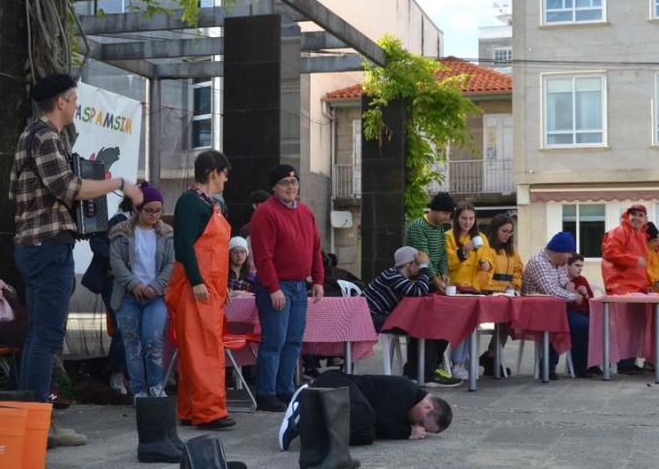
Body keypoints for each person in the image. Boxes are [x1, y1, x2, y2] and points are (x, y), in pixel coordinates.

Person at [8, 73, 143, 445]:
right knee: (47, 336)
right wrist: (119, 184)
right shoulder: (45, 136)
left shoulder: (32, 136)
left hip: (38, 247)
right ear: (64, 101)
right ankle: (39, 427)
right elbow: (68, 188)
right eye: (75, 99)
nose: (77, 106)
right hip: (47, 247)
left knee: (40, 335)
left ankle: (33, 423)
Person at [166, 149, 235, 429]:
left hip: (210, 289)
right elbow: (183, 246)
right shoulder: (190, 203)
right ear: (212, 173)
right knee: (204, 352)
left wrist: (223, 285)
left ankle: (190, 410)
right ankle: (208, 413)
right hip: (198, 290)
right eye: (224, 174)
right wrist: (196, 281)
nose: (226, 180)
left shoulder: (206, 203)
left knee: (198, 350)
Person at [250, 164, 325, 412]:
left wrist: (318, 280)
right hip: (277, 285)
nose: (291, 187)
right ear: (274, 187)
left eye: (294, 182)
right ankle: (266, 392)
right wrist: (272, 288)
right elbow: (263, 256)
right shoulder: (265, 213)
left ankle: (286, 388)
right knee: (274, 340)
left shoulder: (305, 212)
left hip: (299, 285)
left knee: (294, 340)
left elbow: (315, 249)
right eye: (285, 182)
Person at [109, 182, 174, 399]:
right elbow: (116, 262)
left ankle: (156, 385)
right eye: (149, 210)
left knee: (153, 339)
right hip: (128, 296)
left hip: (156, 297)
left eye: (158, 210)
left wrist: (155, 287)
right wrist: (134, 284)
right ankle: (138, 389)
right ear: (138, 209)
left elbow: (171, 265)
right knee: (132, 344)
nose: (155, 215)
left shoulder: (167, 234)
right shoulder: (121, 232)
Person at [279, 371, 453, 450]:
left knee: (366, 435)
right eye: (421, 422)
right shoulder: (406, 391)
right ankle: (304, 405)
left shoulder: (411, 406)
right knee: (367, 419)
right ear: (427, 406)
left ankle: (309, 424)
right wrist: (407, 432)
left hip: (345, 400)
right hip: (335, 382)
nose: (417, 425)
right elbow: (382, 422)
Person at [521, 232, 593, 378]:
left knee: (584, 323)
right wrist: (573, 296)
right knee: (565, 323)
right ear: (560, 251)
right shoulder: (538, 262)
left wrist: (572, 286)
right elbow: (550, 290)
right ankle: (547, 366)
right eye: (568, 254)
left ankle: (580, 366)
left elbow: (563, 283)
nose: (569, 258)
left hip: (555, 309)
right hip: (535, 311)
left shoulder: (559, 265)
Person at [403, 192, 457, 386]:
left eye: (449, 215)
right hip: (419, 283)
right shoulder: (418, 227)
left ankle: (431, 367)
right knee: (425, 326)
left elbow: (442, 255)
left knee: (446, 323)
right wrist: (435, 280)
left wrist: (444, 274)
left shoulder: (441, 229)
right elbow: (424, 258)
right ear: (434, 210)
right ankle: (420, 370)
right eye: (444, 213)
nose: (447, 218)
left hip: (434, 284)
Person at [82, 198, 133, 395]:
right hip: (112, 281)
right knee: (122, 325)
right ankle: (116, 373)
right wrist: (117, 261)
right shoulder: (119, 220)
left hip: (129, 282)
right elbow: (97, 242)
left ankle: (121, 373)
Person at [444, 202, 494, 380]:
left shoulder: (481, 237)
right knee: (462, 326)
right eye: (464, 218)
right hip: (456, 289)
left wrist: (487, 264)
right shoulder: (448, 236)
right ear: (456, 219)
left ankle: (464, 361)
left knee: (471, 326)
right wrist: (462, 251)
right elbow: (448, 262)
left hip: (475, 289)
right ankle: (456, 362)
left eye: (471, 218)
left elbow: (488, 257)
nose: (467, 222)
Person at [601, 204, 650, 374]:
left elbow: (644, 266)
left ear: (645, 219)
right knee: (624, 328)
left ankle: (629, 361)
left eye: (640, 215)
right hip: (621, 288)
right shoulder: (618, 232)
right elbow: (609, 253)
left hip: (637, 289)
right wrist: (634, 259)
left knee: (635, 327)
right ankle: (623, 363)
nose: (637, 218)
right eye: (634, 214)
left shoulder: (640, 235)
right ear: (627, 216)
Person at [475, 214, 524, 376]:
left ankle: (492, 354)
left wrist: (515, 285)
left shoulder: (512, 252)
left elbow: (518, 271)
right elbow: (484, 273)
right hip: (489, 294)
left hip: (507, 294)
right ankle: (489, 357)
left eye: (510, 232)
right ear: (495, 230)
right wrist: (492, 288)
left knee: (508, 322)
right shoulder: (487, 249)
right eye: (504, 231)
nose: (507, 235)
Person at [364, 247, 432, 332]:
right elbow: (420, 292)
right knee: (418, 323)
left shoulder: (399, 275)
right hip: (368, 319)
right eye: (418, 264)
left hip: (378, 316)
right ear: (407, 264)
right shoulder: (391, 275)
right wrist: (424, 266)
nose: (419, 268)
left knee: (423, 321)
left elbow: (422, 288)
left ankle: (417, 345)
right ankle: (417, 345)